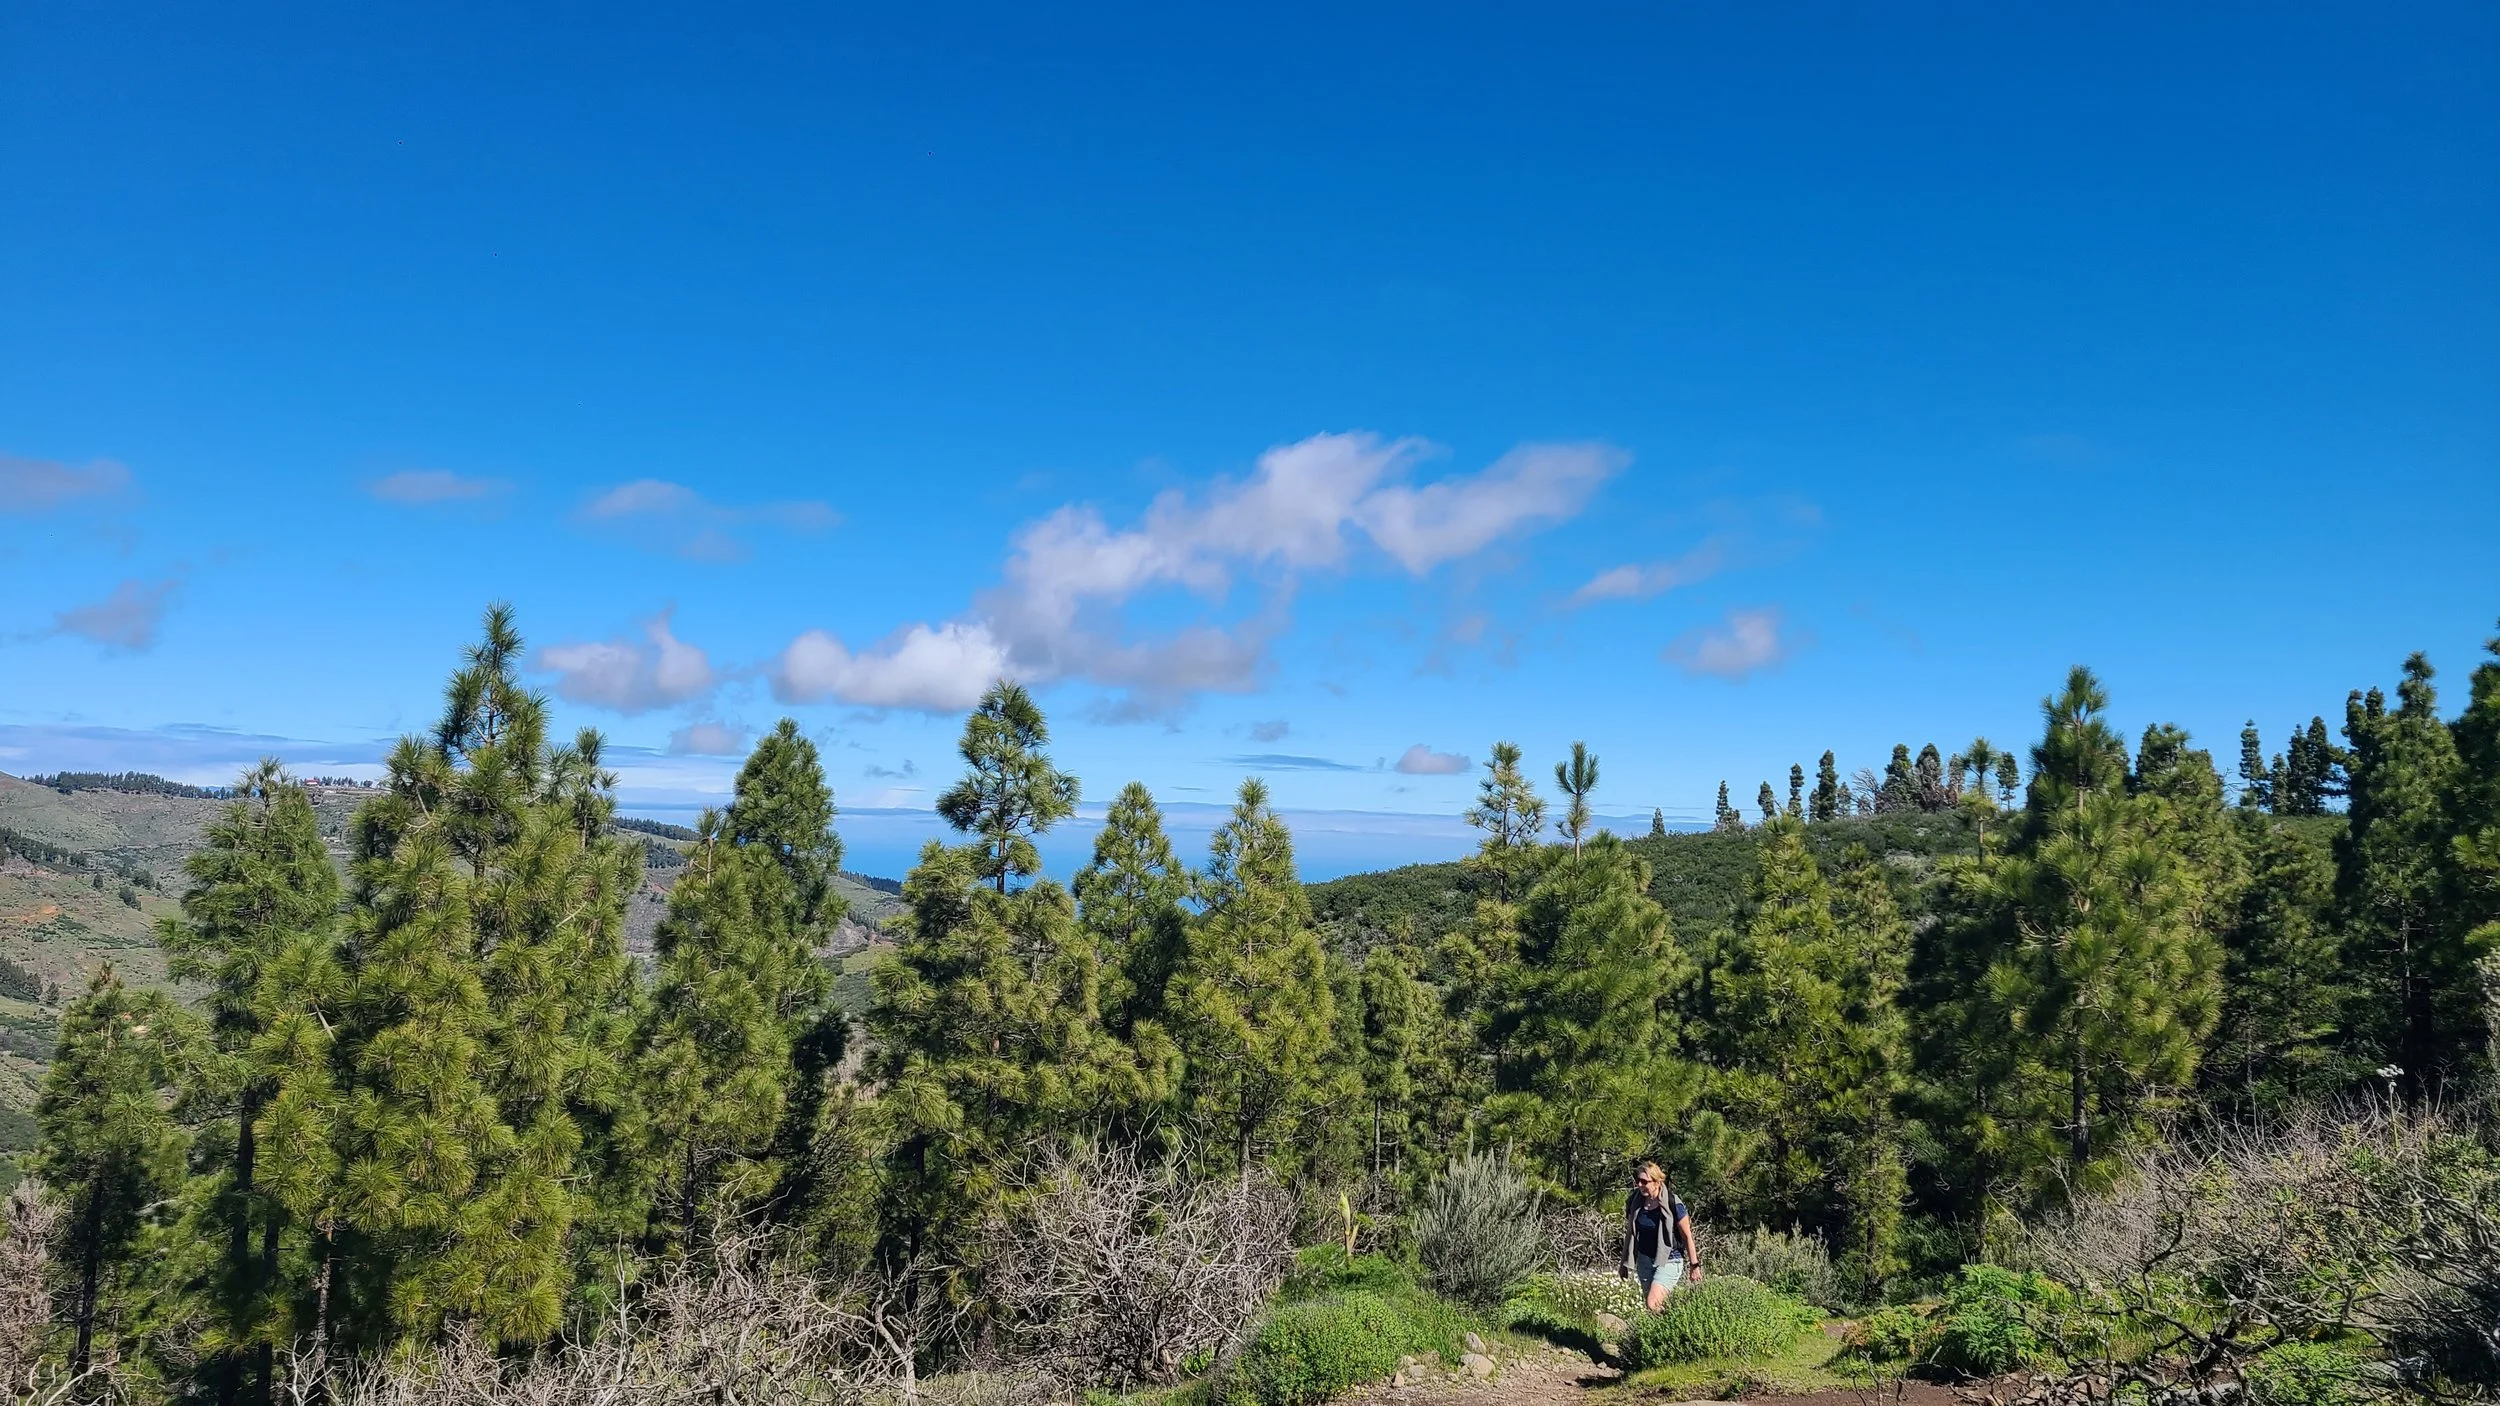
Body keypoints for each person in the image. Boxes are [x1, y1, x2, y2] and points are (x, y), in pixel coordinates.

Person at [1619, 1161, 1702, 1310]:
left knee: (1653, 1303)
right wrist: (1624, 1263)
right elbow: (1630, 1233)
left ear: (1657, 1182)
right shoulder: (1635, 1201)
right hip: (1644, 1259)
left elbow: (1687, 1236)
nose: (1639, 1185)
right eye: (1638, 1180)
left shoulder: (1672, 1203)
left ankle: (1676, 1325)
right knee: (1652, 1307)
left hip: (1669, 1260)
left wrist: (1694, 1265)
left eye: (1644, 1181)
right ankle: (1664, 1330)